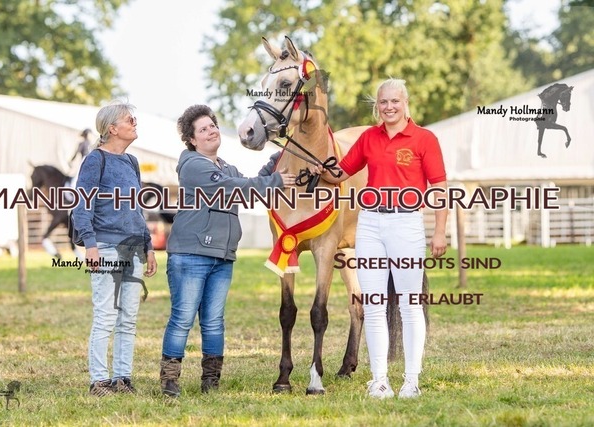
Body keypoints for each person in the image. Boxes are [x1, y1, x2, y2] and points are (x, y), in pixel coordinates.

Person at [315, 78, 448, 399]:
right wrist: (317, 163)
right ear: (377, 106)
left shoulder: (425, 139)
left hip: (407, 223)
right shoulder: (369, 138)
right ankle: (379, 380)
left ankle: (411, 381)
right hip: (370, 225)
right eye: (383, 102)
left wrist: (439, 231)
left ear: (405, 103)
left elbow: (440, 188)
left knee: (409, 305)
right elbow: (340, 173)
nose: (389, 107)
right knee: (374, 305)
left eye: (394, 101)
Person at [159, 105, 295, 397]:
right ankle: (169, 381)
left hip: (222, 256)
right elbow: (235, 188)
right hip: (191, 254)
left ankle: (211, 381)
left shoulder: (226, 167)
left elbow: (249, 187)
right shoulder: (193, 165)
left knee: (214, 321)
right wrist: (275, 180)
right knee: (182, 319)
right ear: (192, 139)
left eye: (213, 126)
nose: (211, 131)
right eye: (203, 129)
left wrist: (277, 159)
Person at [73, 102, 158, 397]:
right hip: (106, 247)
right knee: (106, 316)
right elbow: (82, 205)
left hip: (134, 248)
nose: (134, 123)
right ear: (112, 129)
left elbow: (137, 210)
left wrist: (148, 246)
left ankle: (122, 379)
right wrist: (90, 244)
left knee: (128, 318)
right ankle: (98, 381)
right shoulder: (95, 160)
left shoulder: (132, 162)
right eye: (128, 119)